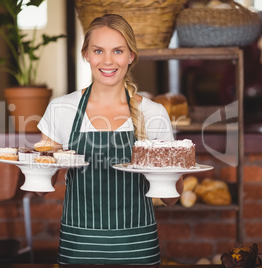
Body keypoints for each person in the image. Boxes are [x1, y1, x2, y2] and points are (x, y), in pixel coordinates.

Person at [37, 13, 183, 265]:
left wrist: (172, 171)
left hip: (138, 246)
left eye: (117, 51)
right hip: (79, 246)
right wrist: (42, 164)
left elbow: (171, 198)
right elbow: (41, 189)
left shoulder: (154, 113)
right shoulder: (61, 109)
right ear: (86, 55)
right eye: (98, 50)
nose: (107, 60)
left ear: (131, 56)